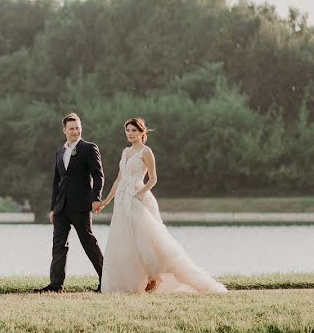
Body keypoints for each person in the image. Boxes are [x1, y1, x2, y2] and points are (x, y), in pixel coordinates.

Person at [96, 118, 227, 293]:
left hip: (137, 198)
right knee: (124, 241)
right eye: (127, 130)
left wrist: (139, 192)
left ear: (142, 132)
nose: (130, 133)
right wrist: (106, 201)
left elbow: (153, 179)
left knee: (144, 240)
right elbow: (119, 179)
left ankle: (154, 276)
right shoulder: (125, 151)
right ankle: (134, 283)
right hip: (121, 201)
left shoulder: (146, 151)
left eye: (134, 130)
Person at [35, 113, 105, 293]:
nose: (75, 131)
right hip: (61, 208)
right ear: (64, 130)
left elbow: (98, 175)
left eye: (78, 128)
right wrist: (52, 208)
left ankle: (106, 280)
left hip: (81, 206)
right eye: (72, 128)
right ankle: (55, 285)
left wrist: (96, 198)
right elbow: (56, 181)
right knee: (58, 245)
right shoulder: (60, 151)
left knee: (89, 242)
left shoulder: (89, 148)